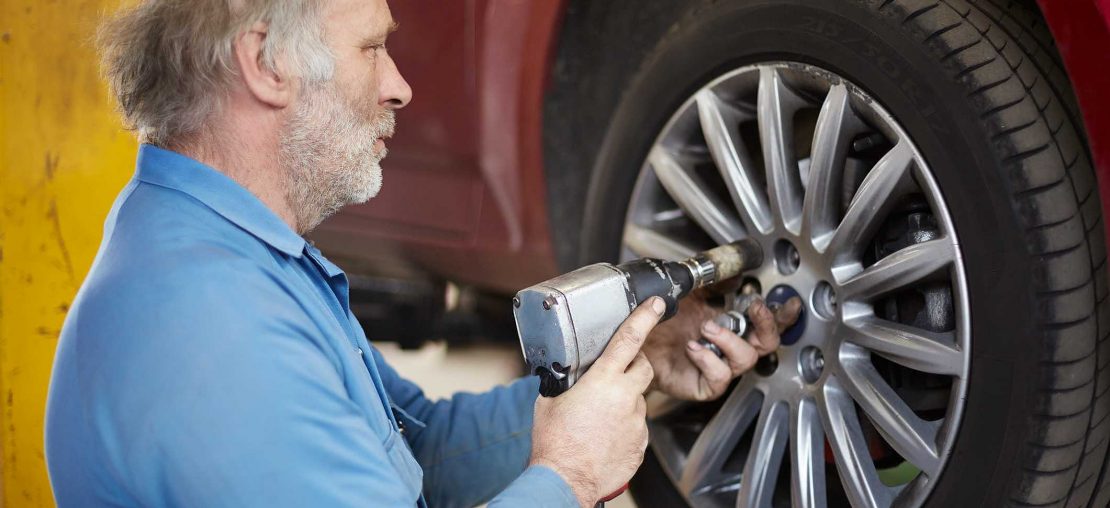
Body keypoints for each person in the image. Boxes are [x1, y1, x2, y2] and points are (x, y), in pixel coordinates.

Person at [44, 0, 801, 506]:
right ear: (265, 65)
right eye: (372, 48)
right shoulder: (211, 334)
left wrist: (631, 377)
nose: (400, 87)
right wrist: (565, 477)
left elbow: (424, 454)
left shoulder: (238, 260)